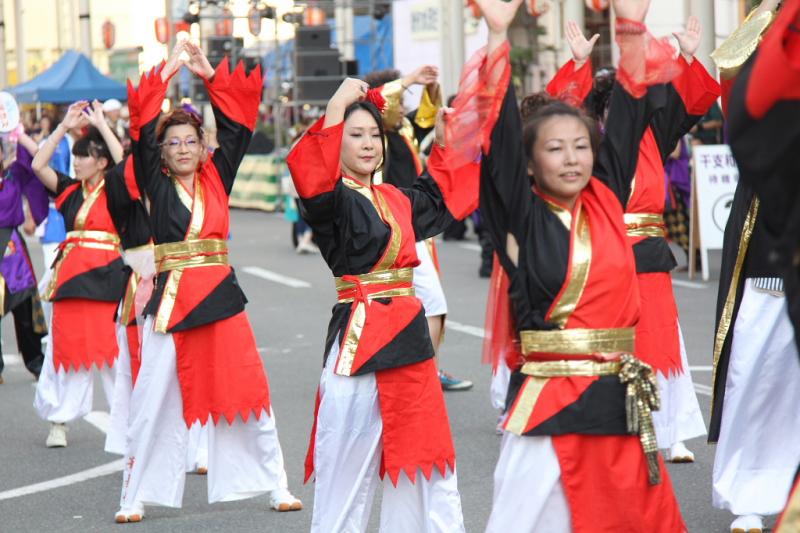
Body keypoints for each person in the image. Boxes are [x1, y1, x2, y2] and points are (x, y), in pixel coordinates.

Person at [476, 0, 687, 530]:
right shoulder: (522, 217)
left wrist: (632, 28)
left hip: (616, 398)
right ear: (530, 162)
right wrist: (497, 37)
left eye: (580, 147)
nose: (572, 159)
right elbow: (498, 139)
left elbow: (634, 109)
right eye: (554, 149)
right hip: (549, 402)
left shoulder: (606, 199)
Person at [285, 34, 497, 529]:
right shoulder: (330, 202)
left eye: (373, 136)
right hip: (359, 340)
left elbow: (440, 193)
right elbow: (309, 172)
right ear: (336, 141)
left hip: (408, 337)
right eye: (354, 135)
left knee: (427, 460)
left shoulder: (396, 200)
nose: (367, 144)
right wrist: (338, 103)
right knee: (347, 463)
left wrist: (444, 145)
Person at [114, 40, 299, 523]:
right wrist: (172, 68)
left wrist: (209, 73)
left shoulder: (218, 176)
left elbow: (238, 125)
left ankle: (276, 484)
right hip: (172, 301)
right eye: (172, 142)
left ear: (202, 147)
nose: (181, 148)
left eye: (189, 141)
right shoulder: (153, 179)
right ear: (162, 152)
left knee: (250, 391)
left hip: (219, 297)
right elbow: (139, 131)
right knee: (152, 398)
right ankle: (132, 495)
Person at [544, 15, 718, 463]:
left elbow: (689, 109)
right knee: (618, 340)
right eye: (605, 110)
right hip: (607, 250)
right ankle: (623, 423)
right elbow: (558, 115)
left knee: (662, 336)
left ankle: (672, 428)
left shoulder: (652, 138)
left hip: (650, 248)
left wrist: (689, 57)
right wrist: (579, 65)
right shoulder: (590, 153)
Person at [711, 1, 800, 532]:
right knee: (759, 368)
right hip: (776, 229)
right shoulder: (774, 29)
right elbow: (732, 77)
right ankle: (751, 486)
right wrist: (769, 14)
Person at [365, 66, 474, 391]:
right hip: (391, 231)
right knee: (429, 303)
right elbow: (376, 102)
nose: (403, 105)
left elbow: (427, 116)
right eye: (399, 98)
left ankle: (422, 370)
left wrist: (429, 87)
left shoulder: (403, 132)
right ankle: (423, 372)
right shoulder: (375, 138)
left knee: (420, 305)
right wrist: (410, 80)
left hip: (414, 226)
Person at [30, 101, 129, 448]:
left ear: (101, 162)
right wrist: (62, 127)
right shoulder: (70, 190)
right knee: (64, 349)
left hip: (106, 277)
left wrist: (101, 125)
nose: (76, 161)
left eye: (83, 156)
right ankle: (59, 419)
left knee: (114, 353)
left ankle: (129, 421)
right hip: (71, 276)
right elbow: (37, 163)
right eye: (75, 155)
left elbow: (125, 163)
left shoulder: (117, 189)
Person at [0, 131, 49, 384]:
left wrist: (17, 132)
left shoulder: (13, 174)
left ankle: (35, 361)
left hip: (11, 248)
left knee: (24, 307)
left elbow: (36, 163)